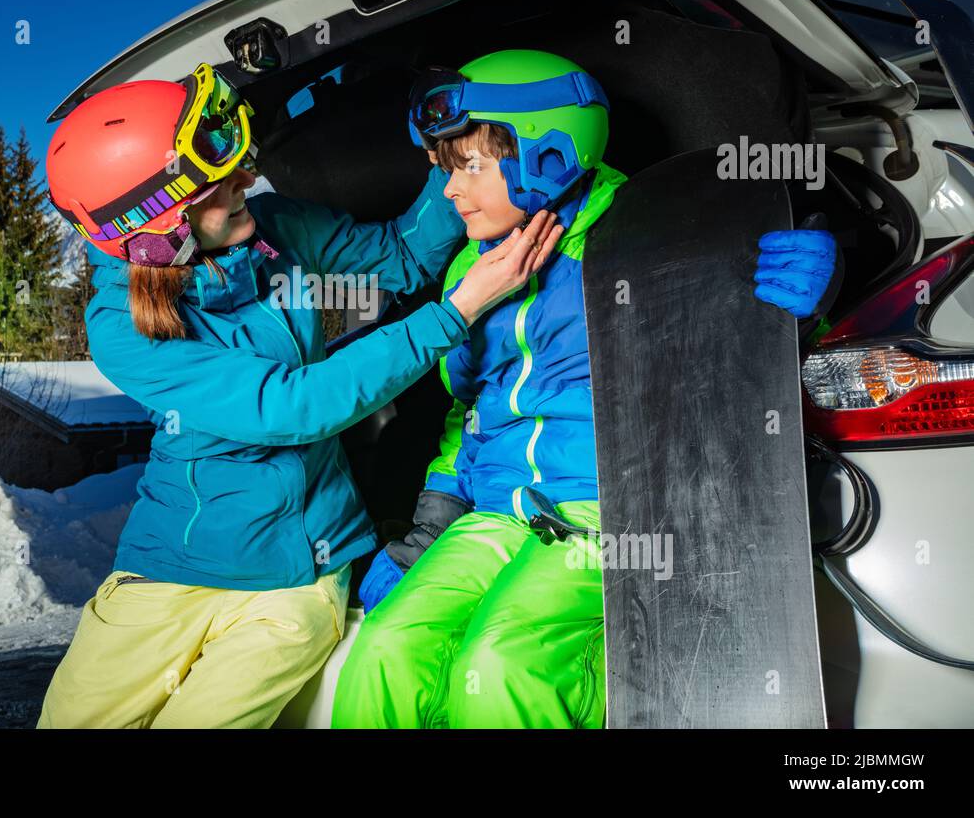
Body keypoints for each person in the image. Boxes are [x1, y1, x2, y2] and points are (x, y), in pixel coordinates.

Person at [35, 62, 560, 728]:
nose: (248, 180)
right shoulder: (122, 325)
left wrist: (454, 152)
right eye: (221, 185)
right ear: (164, 224)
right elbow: (291, 407)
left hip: (298, 573)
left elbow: (400, 256)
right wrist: (454, 313)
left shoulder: (277, 226)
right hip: (170, 566)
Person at [331, 49, 840, 729]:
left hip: (609, 514)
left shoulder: (656, 231)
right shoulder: (469, 267)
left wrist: (813, 307)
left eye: (469, 166)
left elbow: (736, 366)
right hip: (493, 513)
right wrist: (429, 527)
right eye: (446, 169)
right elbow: (469, 414)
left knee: (503, 670)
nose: (450, 192)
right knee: (385, 651)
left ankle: (619, 692)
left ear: (546, 153)